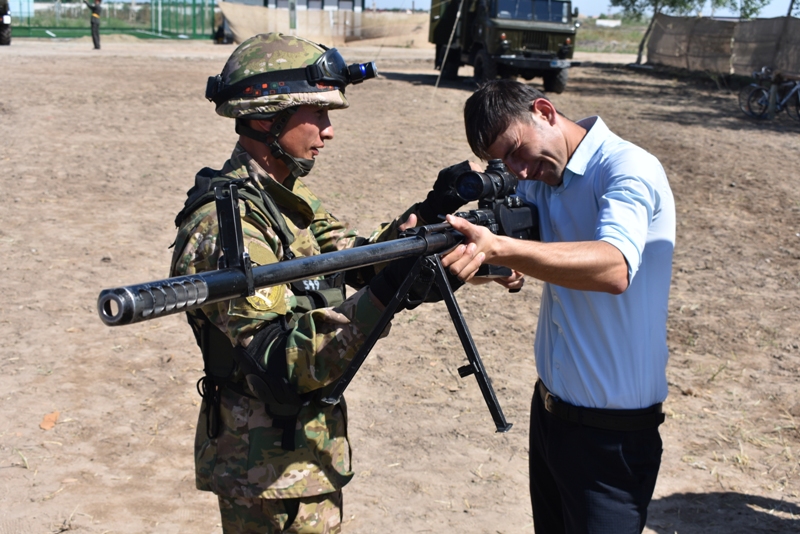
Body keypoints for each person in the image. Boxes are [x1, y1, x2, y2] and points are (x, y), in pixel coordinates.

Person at [169, 33, 474, 533]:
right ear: (269, 117)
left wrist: (426, 226)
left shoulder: (285, 200)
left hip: (306, 456)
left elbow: (357, 256)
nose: (328, 131)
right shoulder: (227, 227)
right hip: (263, 474)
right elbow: (283, 361)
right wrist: (383, 295)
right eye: (319, 114)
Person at [442, 79, 675, 534]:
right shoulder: (543, 179)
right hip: (550, 415)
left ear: (545, 111)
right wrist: (484, 258)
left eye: (515, 151)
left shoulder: (626, 167)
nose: (518, 171)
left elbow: (613, 268)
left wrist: (503, 250)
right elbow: (527, 251)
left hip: (613, 435)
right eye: (503, 162)